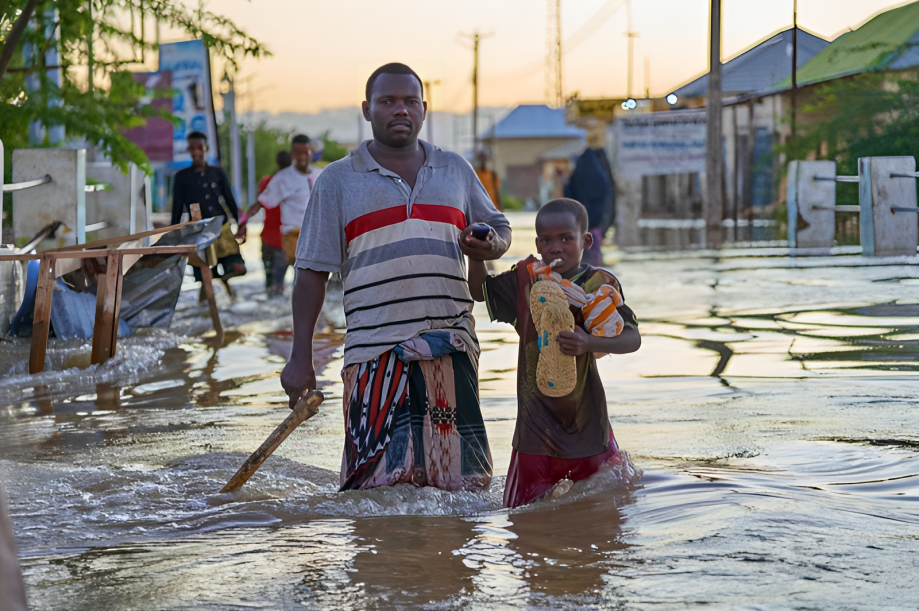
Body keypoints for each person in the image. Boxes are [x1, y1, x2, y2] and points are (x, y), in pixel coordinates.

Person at [281, 62, 511, 492]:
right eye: (387, 101)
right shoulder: (337, 181)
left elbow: (498, 228)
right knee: (376, 494)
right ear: (367, 110)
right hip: (374, 354)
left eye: (409, 101)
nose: (400, 110)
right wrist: (300, 357)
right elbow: (310, 275)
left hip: (452, 347)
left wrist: (489, 246)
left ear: (424, 108)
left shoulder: (455, 170)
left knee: (462, 491)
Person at [468, 198, 641, 507]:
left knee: (605, 511)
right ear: (537, 244)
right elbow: (480, 292)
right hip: (534, 426)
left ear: (585, 241)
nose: (555, 247)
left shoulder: (599, 285)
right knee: (523, 516)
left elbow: (632, 339)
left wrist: (589, 343)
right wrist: (476, 255)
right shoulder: (525, 279)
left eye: (565, 238)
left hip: (588, 421)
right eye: (546, 240)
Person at [170, 131, 246, 291]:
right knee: (204, 278)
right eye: (192, 148)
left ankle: (225, 285)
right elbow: (177, 207)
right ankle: (209, 293)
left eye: (199, 147)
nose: (196, 152)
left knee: (237, 268)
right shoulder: (182, 177)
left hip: (221, 228)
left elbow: (229, 198)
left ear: (206, 148)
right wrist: (174, 236)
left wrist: (240, 224)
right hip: (199, 230)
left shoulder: (217, 172)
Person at [253, 135, 321, 270]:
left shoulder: (319, 175)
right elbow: (263, 202)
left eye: (305, 153)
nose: (302, 157)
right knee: (303, 274)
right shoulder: (280, 179)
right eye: (298, 153)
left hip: (283, 239)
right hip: (289, 239)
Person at [245, 150, 292, 296]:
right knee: (283, 286)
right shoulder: (294, 185)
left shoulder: (266, 182)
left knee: (270, 285)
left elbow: (260, 204)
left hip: (267, 239)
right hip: (286, 241)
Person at [564, 147, 615, 266]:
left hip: (580, 215)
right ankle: (595, 261)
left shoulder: (579, 172)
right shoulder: (601, 173)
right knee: (594, 244)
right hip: (597, 216)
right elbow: (608, 193)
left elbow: (569, 192)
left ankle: (585, 262)